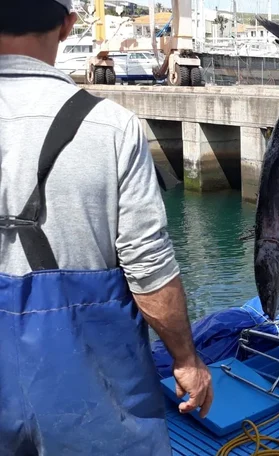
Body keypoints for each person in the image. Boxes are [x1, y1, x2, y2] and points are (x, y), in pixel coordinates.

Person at [0, 1, 212, 454]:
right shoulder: (112, 128)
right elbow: (149, 269)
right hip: (87, 395)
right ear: (66, 25)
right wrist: (186, 360)